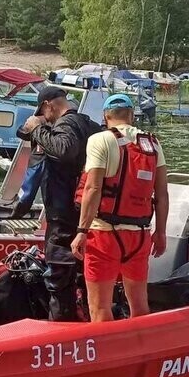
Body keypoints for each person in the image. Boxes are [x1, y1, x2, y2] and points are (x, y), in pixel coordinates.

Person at [71, 94, 168, 323]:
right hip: (140, 235)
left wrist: (81, 231)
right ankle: (142, 353)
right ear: (132, 115)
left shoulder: (100, 140)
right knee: (139, 305)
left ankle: (106, 356)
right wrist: (161, 233)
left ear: (106, 117)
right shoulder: (152, 143)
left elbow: (93, 188)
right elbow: (161, 194)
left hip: (104, 234)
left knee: (100, 308)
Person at [21, 86, 101, 321]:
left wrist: (38, 129)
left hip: (64, 213)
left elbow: (65, 149)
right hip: (85, 214)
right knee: (83, 273)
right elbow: (23, 132)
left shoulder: (66, 125)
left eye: (43, 113)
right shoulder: (90, 125)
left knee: (59, 273)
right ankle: (89, 318)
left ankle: (62, 327)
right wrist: (37, 130)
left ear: (48, 105)